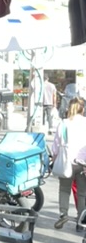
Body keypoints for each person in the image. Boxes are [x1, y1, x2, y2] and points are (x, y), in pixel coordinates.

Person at [52, 97, 86, 229]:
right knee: (82, 193)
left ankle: (63, 214)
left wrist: (55, 159)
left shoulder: (64, 123)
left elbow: (56, 145)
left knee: (64, 190)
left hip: (66, 162)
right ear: (82, 109)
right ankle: (81, 220)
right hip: (82, 164)